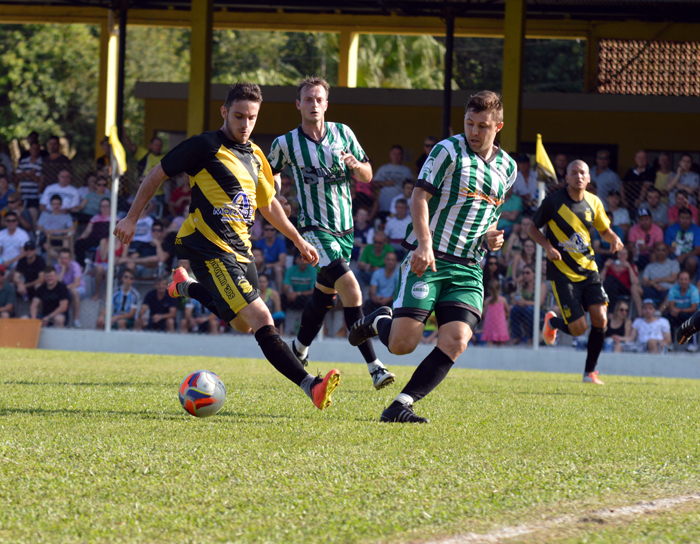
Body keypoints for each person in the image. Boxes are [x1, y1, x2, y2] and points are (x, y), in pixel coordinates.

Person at [114, 82, 340, 412]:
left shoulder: (257, 155)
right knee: (262, 317)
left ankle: (186, 286)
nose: (244, 124)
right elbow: (156, 174)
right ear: (224, 112)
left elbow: (269, 204)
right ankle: (311, 385)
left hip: (241, 251)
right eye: (238, 116)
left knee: (242, 323)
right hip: (209, 249)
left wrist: (297, 238)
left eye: (251, 117)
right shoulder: (203, 146)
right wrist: (131, 218)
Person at [349, 90, 517, 422]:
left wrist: (491, 238)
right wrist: (424, 245)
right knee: (401, 345)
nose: (474, 131)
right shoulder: (447, 151)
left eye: (483, 126)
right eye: (470, 123)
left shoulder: (508, 168)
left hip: (468, 266)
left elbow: (489, 214)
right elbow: (418, 198)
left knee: (456, 339)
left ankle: (401, 405)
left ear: (498, 126)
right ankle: (379, 320)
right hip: (429, 258)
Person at [267, 76, 394, 390]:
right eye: (307, 99)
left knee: (325, 298)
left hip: (345, 228)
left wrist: (355, 165)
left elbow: (367, 173)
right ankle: (375, 366)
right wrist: (278, 193)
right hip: (312, 229)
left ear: (326, 103)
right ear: (299, 104)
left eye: (318, 99)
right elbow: (269, 174)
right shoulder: (286, 143)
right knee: (352, 289)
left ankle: (298, 349)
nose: (313, 105)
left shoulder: (343, 134)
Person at [532, 160, 623, 385]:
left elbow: (604, 229)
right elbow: (532, 228)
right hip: (562, 273)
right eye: (574, 173)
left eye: (583, 172)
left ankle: (589, 373)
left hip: (589, 270)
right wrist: (548, 247)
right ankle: (553, 324)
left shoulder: (594, 202)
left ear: (589, 178)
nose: (578, 176)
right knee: (579, 329)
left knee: (601, 319)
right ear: (567, 178)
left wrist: (613, 237)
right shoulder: (553, 202)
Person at [509, 264, 547, 345]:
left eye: (527, 273)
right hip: (525, 309)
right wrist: (518, 286)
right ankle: (516, 336)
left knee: (529, 309)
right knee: (514, 309)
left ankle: (531, 337)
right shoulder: (523, 285)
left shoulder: (541, 285)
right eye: (523, 273)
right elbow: (517, 299)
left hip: (539, 311)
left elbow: (540, 303)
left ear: (534, 274)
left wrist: (525, 302)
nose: (525, 275)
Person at [600, 245, 643, 316]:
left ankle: (601, 298)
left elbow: (635, 283)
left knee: (611, 278)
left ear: (628, 255)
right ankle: (611, 314)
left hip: (625, 289)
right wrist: (605, 268)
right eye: (619, 253)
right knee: (614, 286)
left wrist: (629, 268)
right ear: (616, 255)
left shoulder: (632, 266)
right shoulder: (610, 266)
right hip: (612, 290)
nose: (622, 256)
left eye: (624, 254)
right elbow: (600, 282)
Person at [372, 145, 414, 217]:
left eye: (399, 154)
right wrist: (385, 183)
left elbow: (413, 187)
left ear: (402, 155)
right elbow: (373, 184)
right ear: (390, 155)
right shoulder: (383, 169)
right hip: (384, 206)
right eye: (394, 154)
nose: (396, 156)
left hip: (401, 208)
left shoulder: (407, 171)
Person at [665, 207, 700, 279]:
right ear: (678, 218)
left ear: (691, 219)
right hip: (673, 255)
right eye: (682, 218)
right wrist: (669, 249)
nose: (685, 221)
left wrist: (684, 256)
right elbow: (665, 246)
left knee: (692, 261)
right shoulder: (671, 229)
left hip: (690, 255)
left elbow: (698, 249)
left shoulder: (697, 229)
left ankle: (687, 280)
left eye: (687, 218)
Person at [663, 270, 699, 338]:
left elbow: (694, 308)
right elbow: (671, 306)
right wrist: (673, 311)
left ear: (690, 281)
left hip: (690, 314)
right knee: (668, 316)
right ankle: (671, 342)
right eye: (681, 279)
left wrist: (679, 310)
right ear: (678, 280)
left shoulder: (694, 290)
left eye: (686, 279)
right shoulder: (673, 289)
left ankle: (692, 343)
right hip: (678, 314)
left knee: (694, 317)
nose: (683, 281)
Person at [55, 248, 85, 328]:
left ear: (70, 259)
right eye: (62, 258)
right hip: (64, 290)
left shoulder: (75, 266)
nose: (63, 260)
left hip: (79, 289)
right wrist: (62, 270)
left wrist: (63, 288)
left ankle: (76, 320)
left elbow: (76, 284)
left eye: (66, 258)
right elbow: (56, 285)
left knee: (74, 292)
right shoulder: (57, 267)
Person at [13, 141, 43, 224]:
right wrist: (30, 173)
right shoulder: (23, 161)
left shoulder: (41, 163)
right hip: (23, 195)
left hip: (35, 196)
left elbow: (38, 179)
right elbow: (18, 176)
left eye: (37, 149)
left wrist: (25, 174)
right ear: (30, 150)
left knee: (34, 217)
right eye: (33, 149)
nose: (35, 151)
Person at [254, 224, 287, 290]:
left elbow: (282, 262)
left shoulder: (280, 242)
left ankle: (280, 295)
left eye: (272, 230)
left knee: (278, 269)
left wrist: (269, 265)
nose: (269, 231)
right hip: (261, 266)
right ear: (263, 230)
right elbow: (255, 256)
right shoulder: (260, 242)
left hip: (274, 268)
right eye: (267, 229)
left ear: (275, 231)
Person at [480, 279, 510, 347]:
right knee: (500, 344)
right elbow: (508, 310)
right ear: (499, 288)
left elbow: (483, 313)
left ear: (489, 289)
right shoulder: (503, 300)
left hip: (490, 324)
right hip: (500, 325)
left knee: (489, 343)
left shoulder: (487, 300)